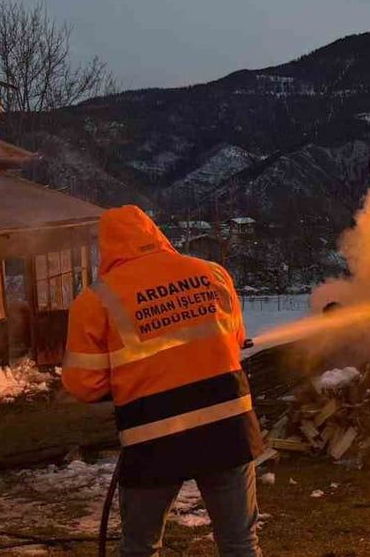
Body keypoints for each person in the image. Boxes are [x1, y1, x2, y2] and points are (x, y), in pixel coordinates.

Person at [62, 205, 263, 556]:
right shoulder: (213, 273)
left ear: (106, 246)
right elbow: (233, 340)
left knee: (141, 546)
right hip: (228, 427)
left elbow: (84, 384)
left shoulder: (95, 300)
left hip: (153, 436)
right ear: (154, 233)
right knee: (239, 543)